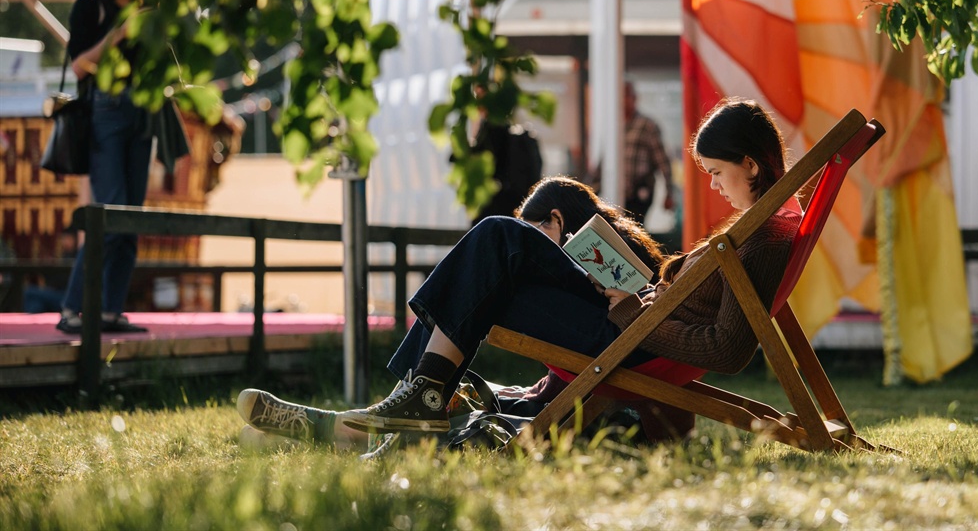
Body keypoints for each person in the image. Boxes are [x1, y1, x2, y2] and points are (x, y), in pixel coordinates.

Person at [337, 97, 797, 437]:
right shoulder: (769, 225)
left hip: (631, 343)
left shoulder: (766, 238)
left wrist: (633, 311)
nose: (714, 185)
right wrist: (638, 297)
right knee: (494, 265)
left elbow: (726, 350)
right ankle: (422, 394)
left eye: (717, 172)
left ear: (751, 165)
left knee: (500, 238)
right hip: (632, 331)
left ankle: (420, 393)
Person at [236, 176, 665, 451]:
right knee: (477, 282)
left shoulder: (618, 249)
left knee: (497, 237)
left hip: (618, 347)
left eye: (534, 231)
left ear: (555, 219)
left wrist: (622, 299)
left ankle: (389, 411)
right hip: (597, 360)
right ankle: (404, 403)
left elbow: (653, 330)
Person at [56, 0, 151, 334]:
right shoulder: (88, 6)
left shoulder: (149, 11)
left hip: (143, 113)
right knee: (109, 212)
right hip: (105, 114)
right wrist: (122, 32)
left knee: (130, 219)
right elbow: (79, 67)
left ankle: (110, 311)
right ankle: (72, 308)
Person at [621, 81, 677, 223]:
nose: (623, 100)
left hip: (640, 191)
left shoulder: (647, 125)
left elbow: (663, 161)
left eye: (626, 95)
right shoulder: (614, 126)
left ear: (634, 98)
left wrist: (669, 193)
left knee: (634, 230)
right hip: (618, 192)